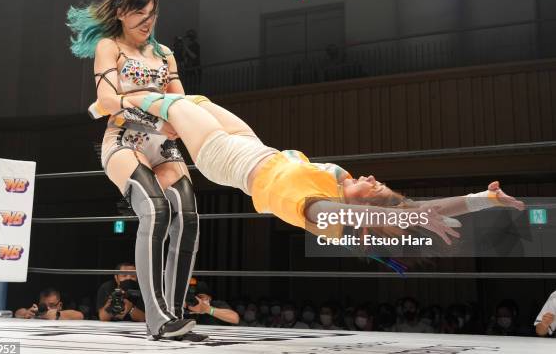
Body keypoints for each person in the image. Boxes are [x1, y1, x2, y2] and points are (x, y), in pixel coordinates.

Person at [93, 78, 526, 245]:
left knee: (173, 105)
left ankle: (112, 103)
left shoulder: (321, 211)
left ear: (360, 206)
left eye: (373, 187)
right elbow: (408, 210)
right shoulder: (342, 185)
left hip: (227, 161)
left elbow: (363, 215)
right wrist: (481, 200)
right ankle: (151, 117)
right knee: (193, 101)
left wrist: (401, 218)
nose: (372, 178)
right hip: (255, 146)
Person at [67, 0, 203, 341]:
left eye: (152, 13)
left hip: (161, 144)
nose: (148, 21)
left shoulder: (165, 54)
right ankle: (157, 318)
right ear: (121, 14)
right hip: (124, 140)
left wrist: (178, 124)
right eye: (140, 13)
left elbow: (179, 104)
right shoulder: (109, 46)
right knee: (156, 210)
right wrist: (155, 118)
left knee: (187, 215)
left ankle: (176, 315)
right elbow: (108, 101)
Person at [15, 288, 83, 320]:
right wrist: (26, 313)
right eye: (43, 305)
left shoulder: (61, 315)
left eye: (51, 305)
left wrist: (57, 315)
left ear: (60, 305)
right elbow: (17, 312)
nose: (47, 308)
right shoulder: (36, 313)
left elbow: (80, 315)